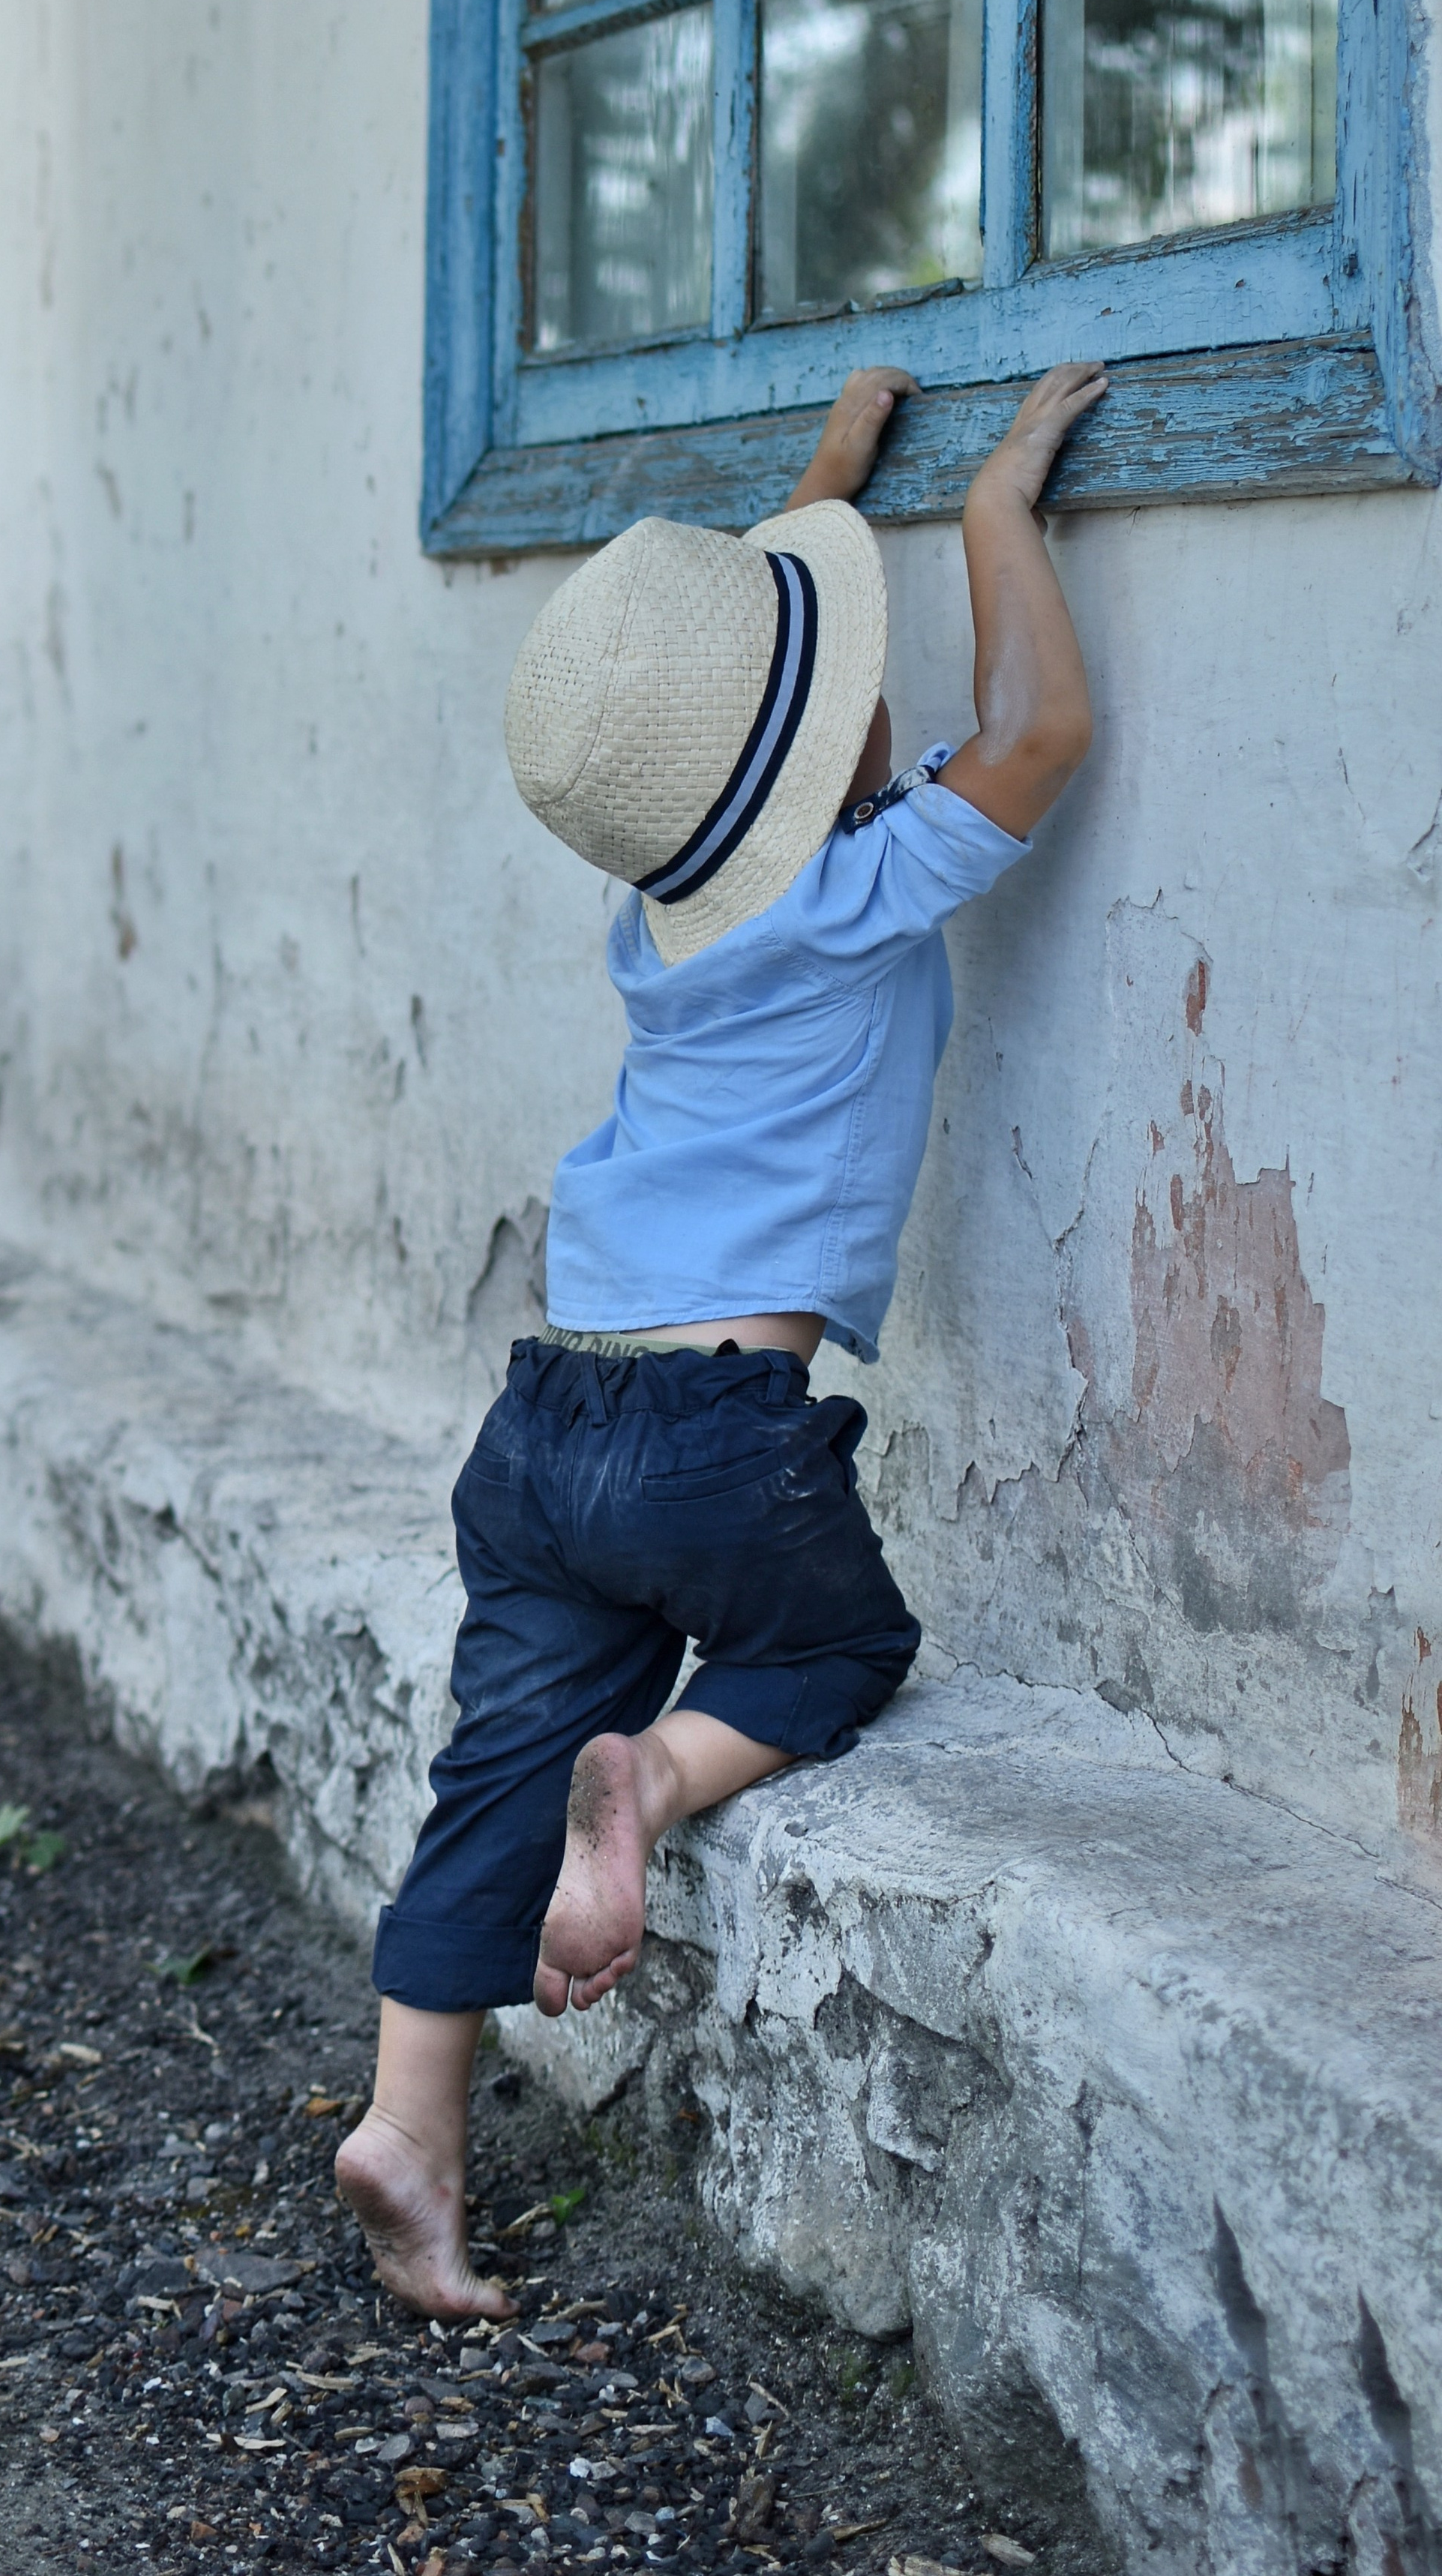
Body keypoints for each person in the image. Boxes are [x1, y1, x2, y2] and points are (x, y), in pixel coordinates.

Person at [335, 360, 1110, 2318]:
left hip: (545, 1426)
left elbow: (725, 714)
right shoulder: (860, 893)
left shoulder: (660, 916)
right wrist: (994, 509)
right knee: (833, 1644)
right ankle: (658, 1783)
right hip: (715, 1439)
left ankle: (410, 2128)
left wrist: (835, 472)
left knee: (495, 1761)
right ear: (836, 766)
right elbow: (1044, 728)